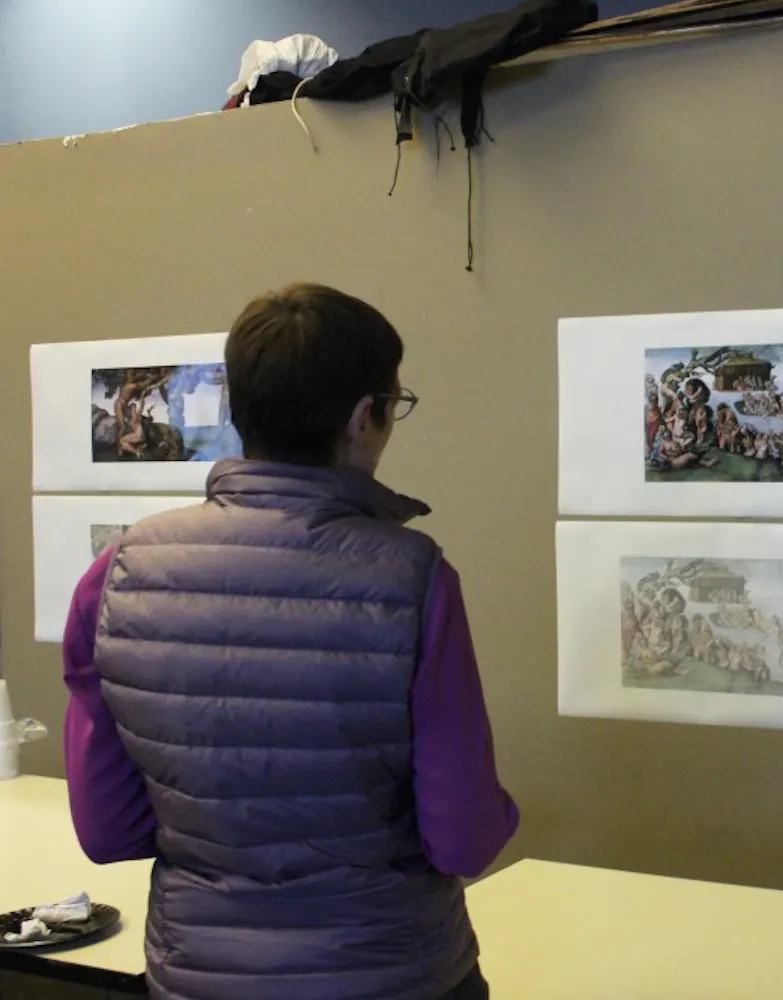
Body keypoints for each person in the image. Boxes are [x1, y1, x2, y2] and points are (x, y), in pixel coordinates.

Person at [61, 283, 520, 1000]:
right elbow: (464, 838)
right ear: (364, 416)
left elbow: (106, 830)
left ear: (241, 408)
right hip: (392, 972)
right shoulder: (411, 577)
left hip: (200, 975)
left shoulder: (115, 574)